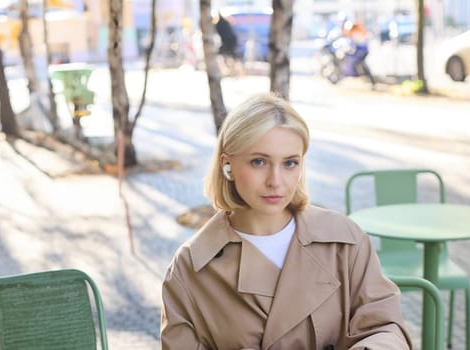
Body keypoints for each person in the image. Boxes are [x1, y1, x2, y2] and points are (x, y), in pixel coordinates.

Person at [160, 94, 412, 349]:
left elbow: (383, 326)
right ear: (228, 166)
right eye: (259, 162)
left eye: (290, 163)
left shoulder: (344, 240)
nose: (275, 181)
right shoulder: (190, 268)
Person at [214, 11, 243, 76]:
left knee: (223, 56)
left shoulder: (219, 24)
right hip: (231, 40)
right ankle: (236, 71)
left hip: (229, 41)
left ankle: (236, 71)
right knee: (233, 56)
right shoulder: (224, 22)